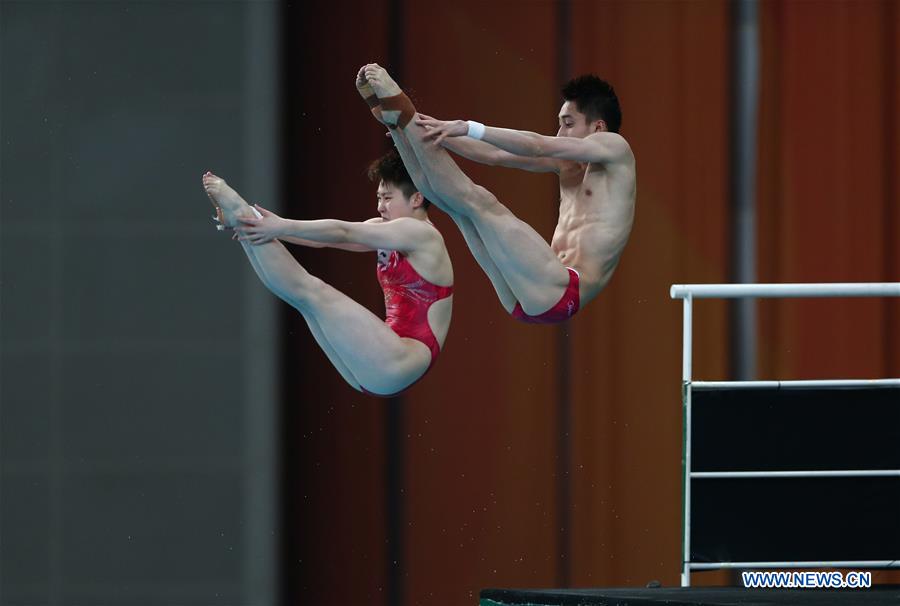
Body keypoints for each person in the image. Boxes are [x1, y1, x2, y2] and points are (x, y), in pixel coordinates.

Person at [359, 64, 635, 324]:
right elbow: (493, 154)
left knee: (480, 202)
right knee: (457, 209)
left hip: (562, 291)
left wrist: (468, 126)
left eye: (568, 123)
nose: (560, 132)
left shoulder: (615, 149)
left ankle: (402, 115)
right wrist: (428, 129)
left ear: (598, 127)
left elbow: (539, 145)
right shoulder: (568, 165)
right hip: (526, 293)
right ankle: (398, 126)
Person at [201, 150, 453, 397]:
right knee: (303, 300)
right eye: (378, 198)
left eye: (387, 198)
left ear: (417, 199)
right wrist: (265, 225)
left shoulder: (422, 234)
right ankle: (243, 220)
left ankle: (242, 213)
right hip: (379, 363)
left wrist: (280, 225)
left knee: (313, 292)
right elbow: (323, 239)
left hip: (401, 359)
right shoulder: (386, 231)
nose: (380, 207)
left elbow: (345, 232)